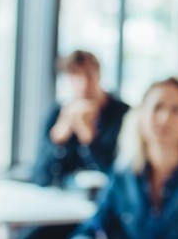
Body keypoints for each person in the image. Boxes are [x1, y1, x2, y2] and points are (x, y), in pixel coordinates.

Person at [70, 74, 178, 239]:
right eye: (157, 107)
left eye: (176, 110)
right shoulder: (124, 172)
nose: (164, 119)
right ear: (141, 115)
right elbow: (94, 228)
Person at [32, 50, 130, 188]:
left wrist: (89, 139)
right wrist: (57, 140)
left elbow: (122, 175)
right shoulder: (58, 114)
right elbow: (39, 176)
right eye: (76, 76)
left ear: (99, 75)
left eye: (89, 75)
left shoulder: (123, 115)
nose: (83, 83)